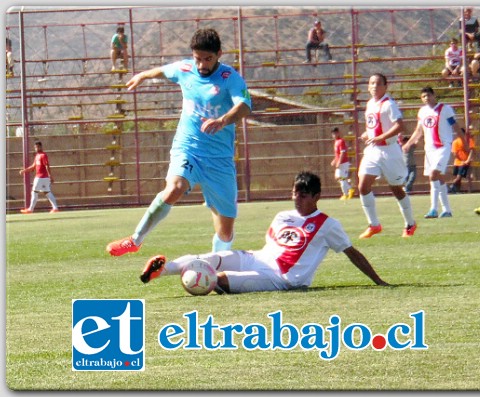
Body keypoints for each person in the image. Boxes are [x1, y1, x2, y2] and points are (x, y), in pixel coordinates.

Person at [106, 28, 252, 256]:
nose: (202, 64)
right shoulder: (185, 69)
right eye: (198, 58)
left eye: (208, 59)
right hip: (188, 148)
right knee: (175, 187)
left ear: (219, 54)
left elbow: (244, 105)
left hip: (219, 159)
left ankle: (215, 264)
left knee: (225, 231)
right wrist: (143, 76)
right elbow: (163, 71)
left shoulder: (229, 78)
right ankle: (135, 240)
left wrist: (223, 120)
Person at [139, 171, 389, 293]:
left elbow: (351, 253)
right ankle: (162, 270)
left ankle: (203, 281)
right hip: (257, 257)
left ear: (316, 196)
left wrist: (378, 280)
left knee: (220, 278)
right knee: (208, 259)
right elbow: (272, 244)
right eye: (295, 193)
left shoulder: (327, 224)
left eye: (303, 195)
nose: (297, 199)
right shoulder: (282, 216)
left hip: (282, 278)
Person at [357, 73, 417, 239]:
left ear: (385, 86)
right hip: (373, 150)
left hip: (390, 151)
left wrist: (381, 137)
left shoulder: (389, 104)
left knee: (396, 188)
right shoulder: (370, 103)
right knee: (363, 185)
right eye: (371, 83)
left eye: (378, 83)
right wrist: (367, 134)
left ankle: (410, 223)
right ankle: (374, 225)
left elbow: (400, 126)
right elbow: (375, 126)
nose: (374, 86)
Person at [403, 87, 465, 219]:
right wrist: (409, 143)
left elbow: (455, 126)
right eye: (424, 96)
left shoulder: (445, 109)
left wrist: (463, 140)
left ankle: (433, 209)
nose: (427, 98)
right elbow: (418, 130)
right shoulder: (422, 111)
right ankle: (447, 210)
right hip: (429, 149)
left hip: (443, 146)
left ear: (434, 95)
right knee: (439, 178)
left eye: (429, 95)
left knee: (433, 174)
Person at [19, 141, 60, 214]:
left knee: (34, 192)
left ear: (41, 147)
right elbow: (33, 167)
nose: (37, 148)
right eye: (35, 147)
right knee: (47, 192)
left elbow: (47, 165)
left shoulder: (43, 155)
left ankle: (30, 209)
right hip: (42, 178)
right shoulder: (37, 156)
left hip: (40, 178)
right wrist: (24, 171)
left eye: (38, 146)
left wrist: (50, 175)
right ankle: (55, 208)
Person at [331, 127, 354, 200]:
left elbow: (342, 153)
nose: (334, 135)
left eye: (335, 133)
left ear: (338, 133)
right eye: (333, 133)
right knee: (338, 177)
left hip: (343, 163)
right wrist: (334, 160)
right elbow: (337, 154)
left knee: (342, 178)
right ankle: (350, 189)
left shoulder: (341, 141)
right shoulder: (336, 142)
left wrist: (339, 162)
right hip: (340, 163)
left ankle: (346, 194)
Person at [449, 128, 475, 194]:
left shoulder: (469, 140)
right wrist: (463, 161)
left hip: (464, 163)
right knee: (458, 178)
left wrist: (468, 160)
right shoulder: (455, 142)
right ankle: (451, 188)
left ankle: (456, 190)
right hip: (458, 163)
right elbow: (455, 153)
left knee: (459, 178)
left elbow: (472, 150)